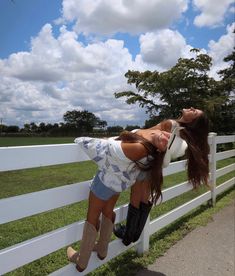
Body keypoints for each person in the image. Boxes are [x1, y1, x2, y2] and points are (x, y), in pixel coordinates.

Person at [67, 125, 171, 272]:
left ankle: (81, 260)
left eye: (166, 142)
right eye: (167, 134)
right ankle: (102, 249)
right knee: (108, 212)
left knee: (92, 217)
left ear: (161, 150)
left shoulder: (140, 148)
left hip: (104, 183)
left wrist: (82, 141)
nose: (166, 136)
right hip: (118, 184)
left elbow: (108, 148)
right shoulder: (149, 152)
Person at [113, 107, 210, 246]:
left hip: (145, 159)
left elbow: (145, 134)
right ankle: (134, 233)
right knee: (144, 196)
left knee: (136, 195)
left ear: (192, 121)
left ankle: (129, 234)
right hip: (153, 163)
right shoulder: (180, 131)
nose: (192, 108)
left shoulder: (170, 124)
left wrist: (127, 134)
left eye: (194, 112)